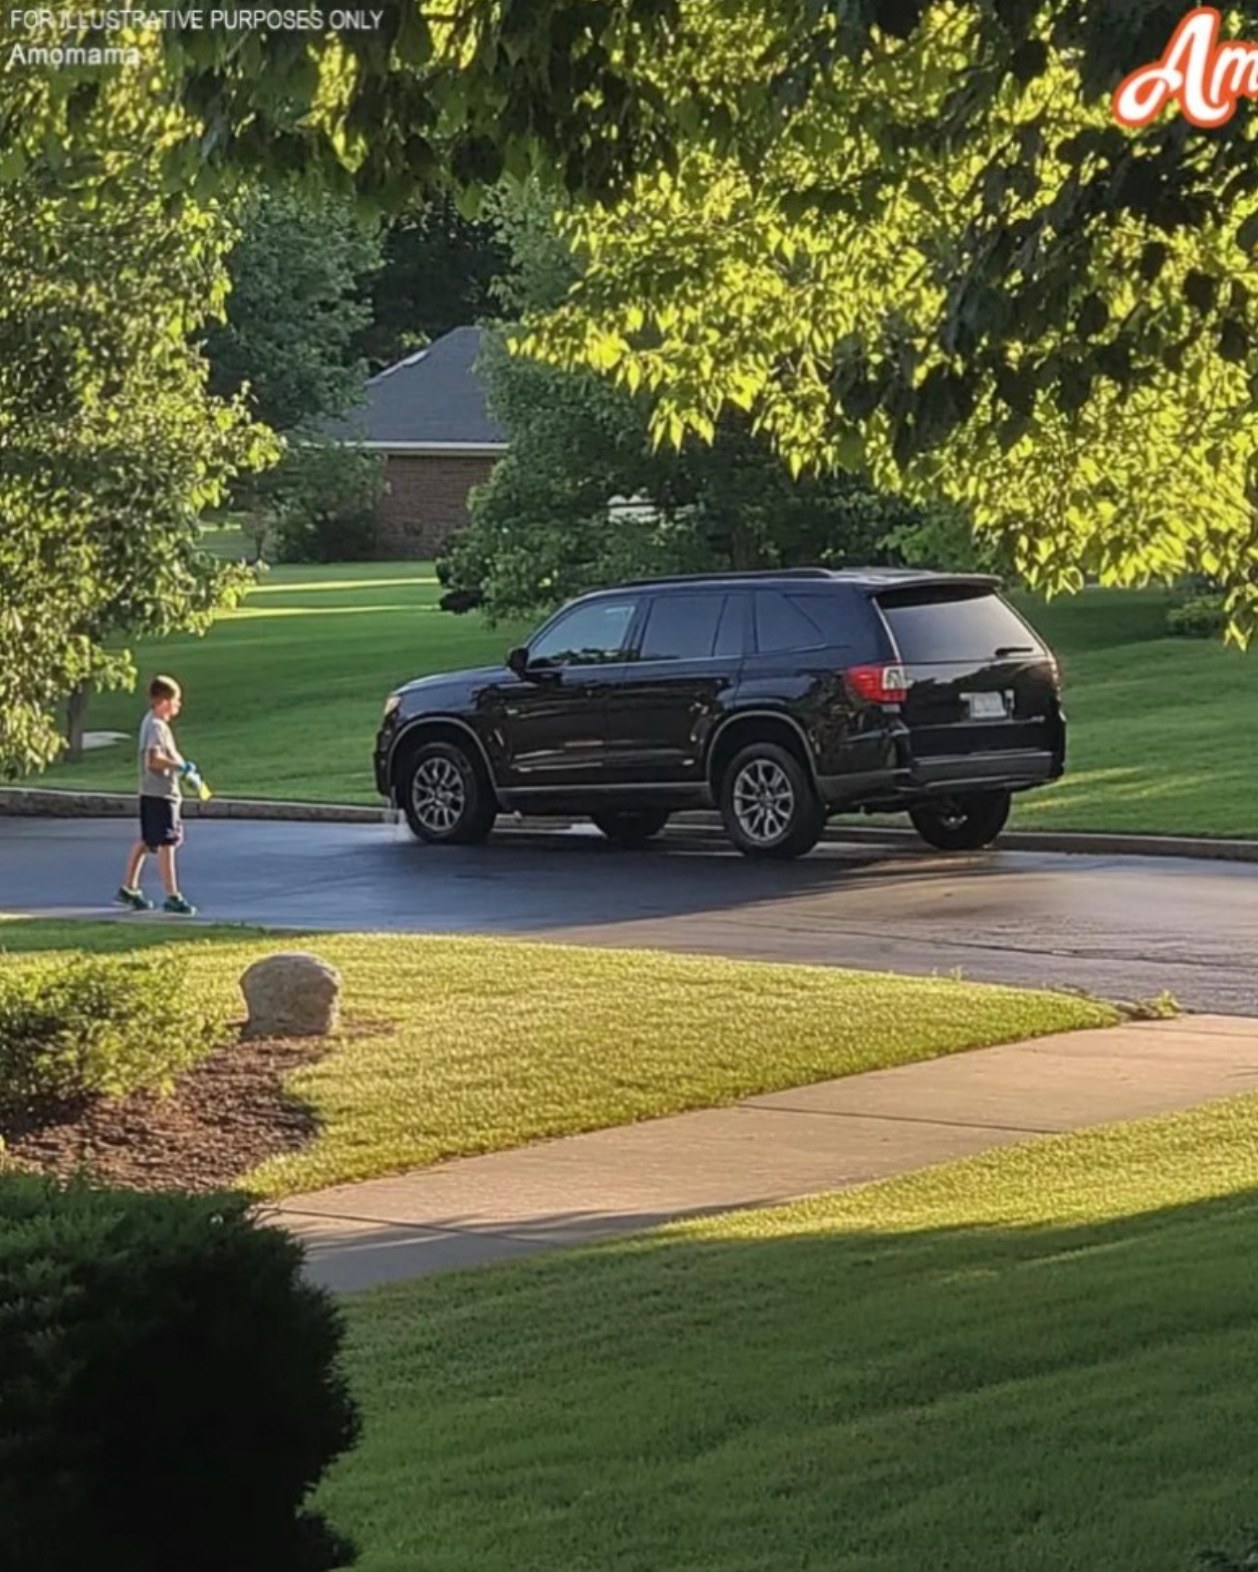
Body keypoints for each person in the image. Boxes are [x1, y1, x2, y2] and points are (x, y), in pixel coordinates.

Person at [115, 674, 197, 916]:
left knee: (147, 840)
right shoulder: (156, 726)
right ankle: (173, 895)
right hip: (160, 794)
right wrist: (179, 767)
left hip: (153, 793)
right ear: (163, 701)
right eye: (176, 700)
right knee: (166, 843)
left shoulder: (153, 723)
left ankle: (129, 888)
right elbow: (154, 760)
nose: (178, 706)